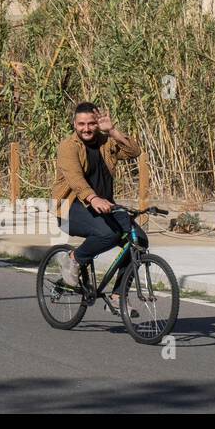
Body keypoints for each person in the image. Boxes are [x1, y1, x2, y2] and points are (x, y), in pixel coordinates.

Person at [51, 102, 144, 289]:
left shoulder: (105, 142)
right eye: (81, 124)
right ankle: (74, 258)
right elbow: (75, 178)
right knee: (108, 234)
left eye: (91, 124)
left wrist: (112, 131)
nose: (86, 129)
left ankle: (119, 295)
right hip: (72, 208)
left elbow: (134, 151)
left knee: (138, 241)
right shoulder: (68, 147)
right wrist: (93, 198)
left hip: (104, 206)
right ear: (74, 124)